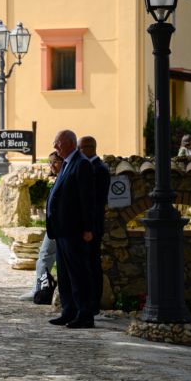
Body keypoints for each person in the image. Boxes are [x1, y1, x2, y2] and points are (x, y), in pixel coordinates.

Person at [45, 129, 95, 329]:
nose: (55, 146)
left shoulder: (82, 164)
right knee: (65, 275)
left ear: (70, 143)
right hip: (62, 230)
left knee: (79, 274)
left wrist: (88, 228)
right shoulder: (66, 163)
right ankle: (69, 311)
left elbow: (87, 198)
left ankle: (85, 315)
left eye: (58, 142)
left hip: (74, 231)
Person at [19, 152, 62, 301]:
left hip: (59, 227)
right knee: (45, 255)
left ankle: (39, 291)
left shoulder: (65, 178)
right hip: (54, 226)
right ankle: (40, 289)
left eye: (55, 162)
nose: (51, 165)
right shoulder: (59, 178)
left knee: (45, 255)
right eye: (50, 162)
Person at [77, 135, 110, 315]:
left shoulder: (99, 169)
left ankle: (94, 304)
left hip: (93, 225)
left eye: (80, 148)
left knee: (93, 264)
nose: (78, 151)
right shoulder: (89, 166)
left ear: (92, 148)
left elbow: (93, 200)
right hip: (88, 224)